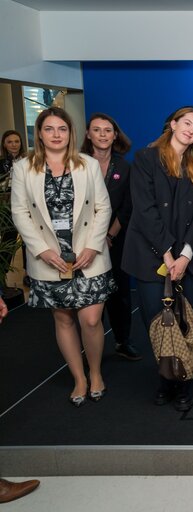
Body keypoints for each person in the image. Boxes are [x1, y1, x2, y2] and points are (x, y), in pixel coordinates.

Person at [11, 107, 114, 406]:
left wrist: (93, 246)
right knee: (63, 318)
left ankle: (95, 372)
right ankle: (79, 378)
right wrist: (41, 250)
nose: (56, 135)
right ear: (39, 134)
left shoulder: (88, 164)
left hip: (87, 254)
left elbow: (103, 208)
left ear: (70, 133)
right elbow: (19, 211)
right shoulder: (23, 168)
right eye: (49, 129)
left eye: (62, 129)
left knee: (92, 319)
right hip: (49, 257)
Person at [123, 106, 193, 411]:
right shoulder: (146, 159)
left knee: (187, 321)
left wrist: (184, 255)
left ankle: (183, 382)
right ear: (172, 124)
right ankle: (164, 379)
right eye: (187, 123)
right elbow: (145, 212)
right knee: (157, 323)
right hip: (150, 257)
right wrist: (169, 254)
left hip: (185, 260)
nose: (191, 130)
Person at [81, 113, 141, 361]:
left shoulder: (125, 167)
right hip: (82, 241)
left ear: (115, 135)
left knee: (120, 292)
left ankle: (122, 340)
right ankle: (89, 345)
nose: (103, 134)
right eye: (97, 130)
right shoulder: (78, 164)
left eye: (108, 130)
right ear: (88, 134)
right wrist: (93, 239)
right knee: (88, 296)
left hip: (116, 239)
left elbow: (128, 206)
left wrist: (109, 236)